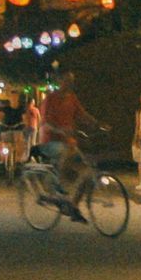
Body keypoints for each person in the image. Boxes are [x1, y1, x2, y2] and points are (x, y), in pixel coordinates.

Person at [38, 70, 98, 210]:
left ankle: (73, 205)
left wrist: (96, 123)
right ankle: (58, 186)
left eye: (72, 81)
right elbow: (45, 122)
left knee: (86, 171)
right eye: (67, 80)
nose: (70, 84)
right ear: (60, 81)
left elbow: (82, 114)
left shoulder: (72, 98)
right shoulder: (51, 99)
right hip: (50, 142)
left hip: (68, 142)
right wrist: (59, 130)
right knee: (65, 152)